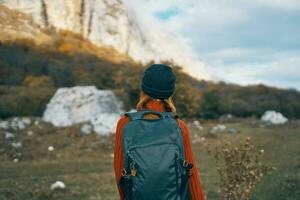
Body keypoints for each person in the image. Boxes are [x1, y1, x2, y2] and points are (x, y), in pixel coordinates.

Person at [114, 64, 205, 200]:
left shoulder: (125, 124)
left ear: (143, 89)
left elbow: (120, 173)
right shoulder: (178, 126)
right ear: (170, 92)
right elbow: (191, 176)